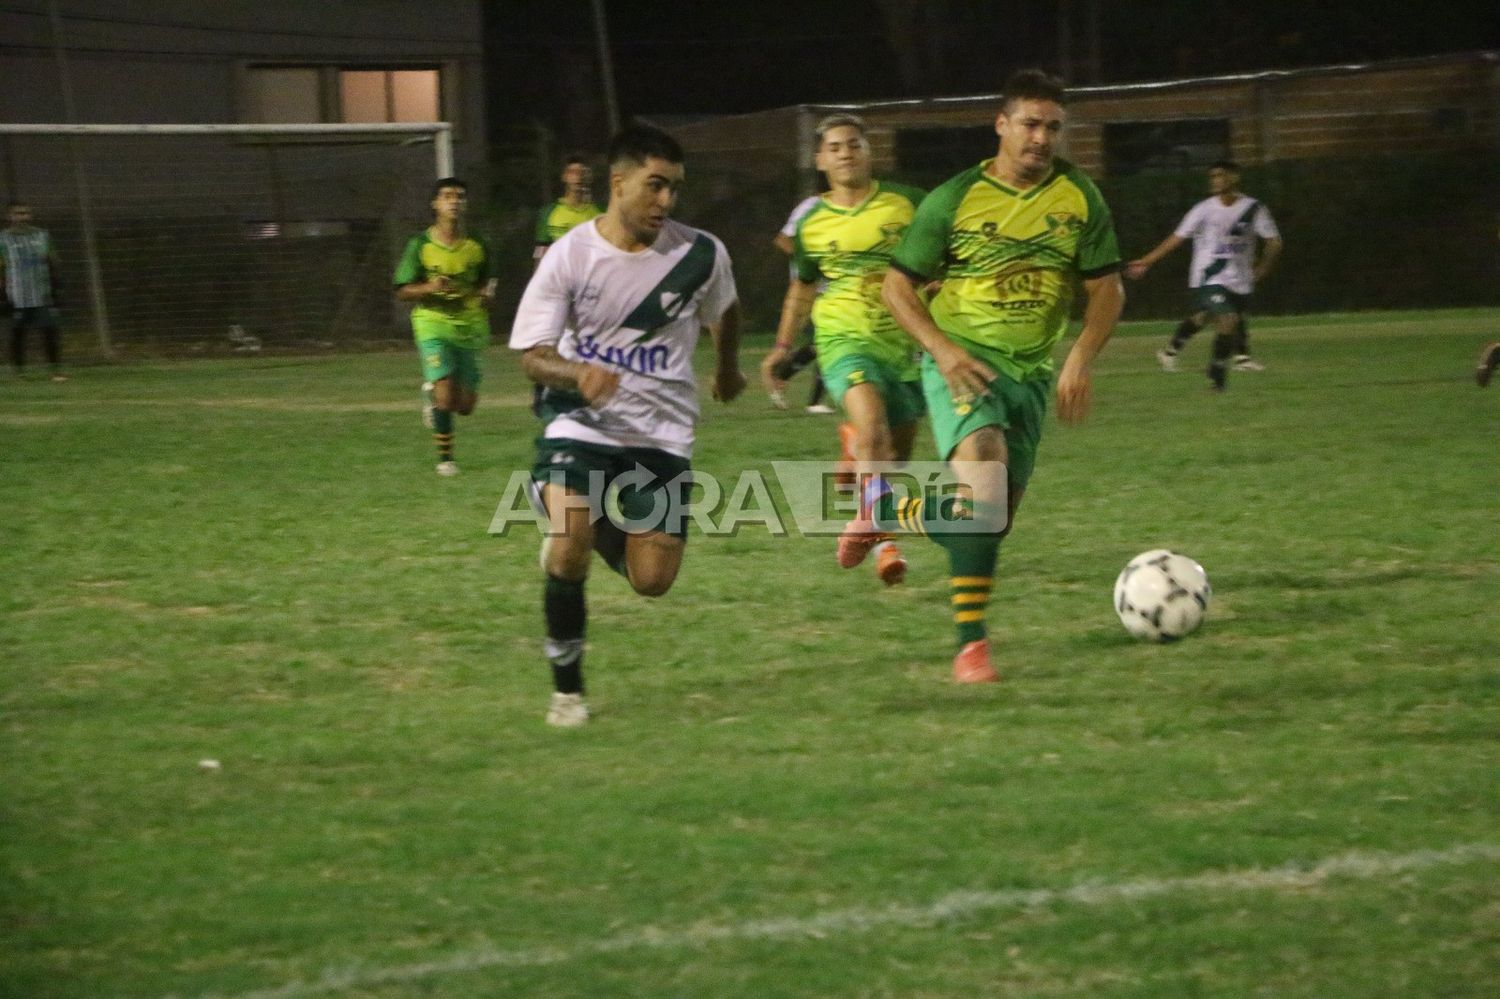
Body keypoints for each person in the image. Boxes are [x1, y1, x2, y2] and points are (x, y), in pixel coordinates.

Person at [876, 69, 1125, 683]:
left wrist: (1079, 358)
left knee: (990, 522)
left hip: (1031, 371)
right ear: (1002, 126)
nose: (1042, 138)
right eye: (1031, 124)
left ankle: (886, 508)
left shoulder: (1079, 196)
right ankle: (971, 647)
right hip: (964, 357)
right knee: (983, 492)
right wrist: (941, 350)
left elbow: (1107, 289)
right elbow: (896, 286)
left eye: (1053, 127)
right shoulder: (955, 198)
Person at [510, 124, 745, 727]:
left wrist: (726, 370)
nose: (666, 202)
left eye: (674, 190)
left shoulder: (700, 254)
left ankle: (585, 531)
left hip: (662, 434)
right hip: (580, 424)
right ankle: (567, 689)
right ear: (619, 183)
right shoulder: (571, 254)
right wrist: (573, 375)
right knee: (568, 547)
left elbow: (728, 311)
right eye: (655, 186)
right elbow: (531, 353)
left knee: (653, 581)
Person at [762, 114, 926, 587]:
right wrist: (782, 347)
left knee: (893, 455)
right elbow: (802, 288)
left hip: (901, 342)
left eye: (854, 144)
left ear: (869, 151)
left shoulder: (907, 203)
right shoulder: (812, 222)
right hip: (841, 340)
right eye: (834, 147)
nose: (845, 153)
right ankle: (886, 543)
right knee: (873, 423)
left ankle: (854, 452)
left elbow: (942, 256)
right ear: (820, 159)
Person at [1124, 160, 1282, 389]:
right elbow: (1176, 238)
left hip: (1239, 280)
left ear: (1234, 178)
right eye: (1213, 176)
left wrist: (1263, 267)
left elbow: (1274, 242)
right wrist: (1147, 261)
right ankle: (1220, 373)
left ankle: (1176, 354)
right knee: (1227, 319)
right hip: (1208, 278)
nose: (1215, 180)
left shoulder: (1254, 208)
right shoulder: (1203, 210)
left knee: (1207, 318)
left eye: (1220, 175)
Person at [393, 177, 496, 476]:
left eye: (460, 196)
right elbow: (401, 290)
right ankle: (446, 459)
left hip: (470, 325)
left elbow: (486, 283)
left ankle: (434, 396)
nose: (454, 201)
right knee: (445, 396)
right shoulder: (420, 245)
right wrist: (430, 287)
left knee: (464, 406)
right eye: (447, 196)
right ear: (435, 204)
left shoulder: (478, 244)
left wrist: (487, 295)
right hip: (432, 323)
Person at [763, 193, 832, 413]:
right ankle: (814, 401)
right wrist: (810, 261)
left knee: (823, 342)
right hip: (811, 287)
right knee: (826, 342)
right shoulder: (813, 205)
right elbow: (784, 239)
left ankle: (782, 374)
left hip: (833, 287)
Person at [1, 201, 66, 381]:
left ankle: (56, 371)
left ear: (30, 215)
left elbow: (53, 261)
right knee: (17, 335)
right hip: (17, 296)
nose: (21, 217)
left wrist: (56, 288)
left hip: (42, 294)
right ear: (9, 216)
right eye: (17, 214)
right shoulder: (3, 239)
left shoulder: (42, 236)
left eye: (24, 213)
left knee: (50, 331)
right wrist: (2, 296)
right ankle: (18, 372)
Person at [533, 155, 603, 266]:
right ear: (564, 176)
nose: (577, 177)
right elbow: (541, 253)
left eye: (582, 173)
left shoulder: (600, 213)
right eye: (573, 172)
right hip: (561, 279)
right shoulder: (549, 212)